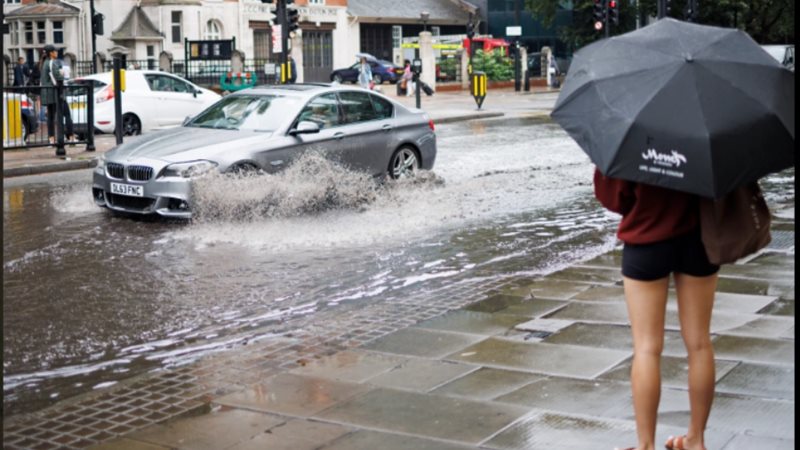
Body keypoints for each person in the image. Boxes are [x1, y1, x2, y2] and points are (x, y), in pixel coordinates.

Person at [595, 169, 719, 450]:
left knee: (647, 348)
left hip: (646, 239)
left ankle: (646, 445)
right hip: (699, 240)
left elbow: (612, 197)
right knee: (699, 343)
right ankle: (696, 440)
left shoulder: (633, 135)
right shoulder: (707, 130)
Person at [40, 44, 75, 147]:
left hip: (48, 94)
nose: (57, 52)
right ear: (51, 53)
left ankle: (52, 140)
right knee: (67, 115)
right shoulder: (51, 63)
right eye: (55, 51)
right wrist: (64, 74)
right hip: (56, 94)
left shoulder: (44, 63)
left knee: (51, 117)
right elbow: (58, 78)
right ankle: (71, 138)